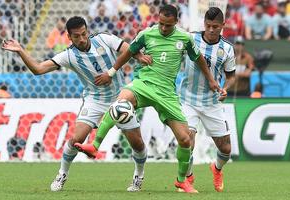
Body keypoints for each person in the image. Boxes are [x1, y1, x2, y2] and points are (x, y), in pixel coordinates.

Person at [74, 4, 220, 193]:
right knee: (121, 102)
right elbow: (128, 51)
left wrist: (211, 80)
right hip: (144, 83)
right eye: (161, 23)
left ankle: (182, 180)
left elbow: (198, 58)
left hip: (167, 93)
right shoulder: (147, 34)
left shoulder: (185, 38)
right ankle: (94, 145)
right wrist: (114, 70)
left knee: (185, 140)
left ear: (176, 22)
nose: (163, 28)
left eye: (168, 25)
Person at [1, 16, 152, 192]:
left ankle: (138, 176)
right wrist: (20, 50)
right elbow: (38, 69)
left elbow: (126, 47)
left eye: (84, 34)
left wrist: (139, 56)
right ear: (69, 37)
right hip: (94, 100)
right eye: (76, 36)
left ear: (87, 31)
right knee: (76, 139)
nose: (81, 39)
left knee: (138, 144)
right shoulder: (69, 56)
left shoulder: (104, 39)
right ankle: (62, 174)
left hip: (121, 98)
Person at [178, 7, 236, 192]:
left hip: (212, 102)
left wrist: (225, 89)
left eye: (215, 27)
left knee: (226, 149)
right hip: (187, 100)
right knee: (187, 141)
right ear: (204, 24)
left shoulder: (227, 49)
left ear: (223, 26)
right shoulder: (190, 39)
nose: (211, 30)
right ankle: (187, 176)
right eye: (208, 26)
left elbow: (231, 76)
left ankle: (217, 169)